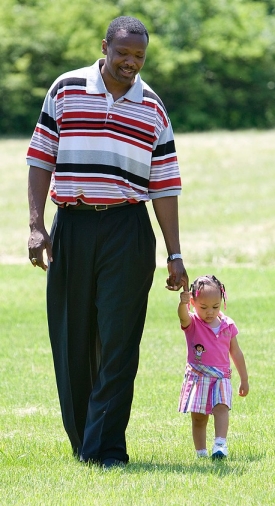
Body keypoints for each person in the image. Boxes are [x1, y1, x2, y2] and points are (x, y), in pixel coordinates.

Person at [27, 16, 189, 468]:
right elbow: (40, 158)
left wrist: (175, 253)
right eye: (123, 54)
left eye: (139, 56)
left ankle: (108, 448)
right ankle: (84, 443)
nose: (131, 63)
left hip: (128, 231)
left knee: (119, 342)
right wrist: (37, 226)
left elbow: (165, 185)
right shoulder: (66, 90)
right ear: (105, 47)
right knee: (72, 339)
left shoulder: (152, 108)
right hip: (73, 227)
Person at [178, 275, 249, 459]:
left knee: (221, 407)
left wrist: (244, 379)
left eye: (215, 306)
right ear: (193, 302)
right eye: (204, 307)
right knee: (199, 418)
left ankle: (220, 444)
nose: (210, 312)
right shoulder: (193, 323)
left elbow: (236, 353)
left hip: (221, 376)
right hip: (199, 376)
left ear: (221, 302)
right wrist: (182, 304)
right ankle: (201, 453)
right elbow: (183, 316)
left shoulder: (227, 325)